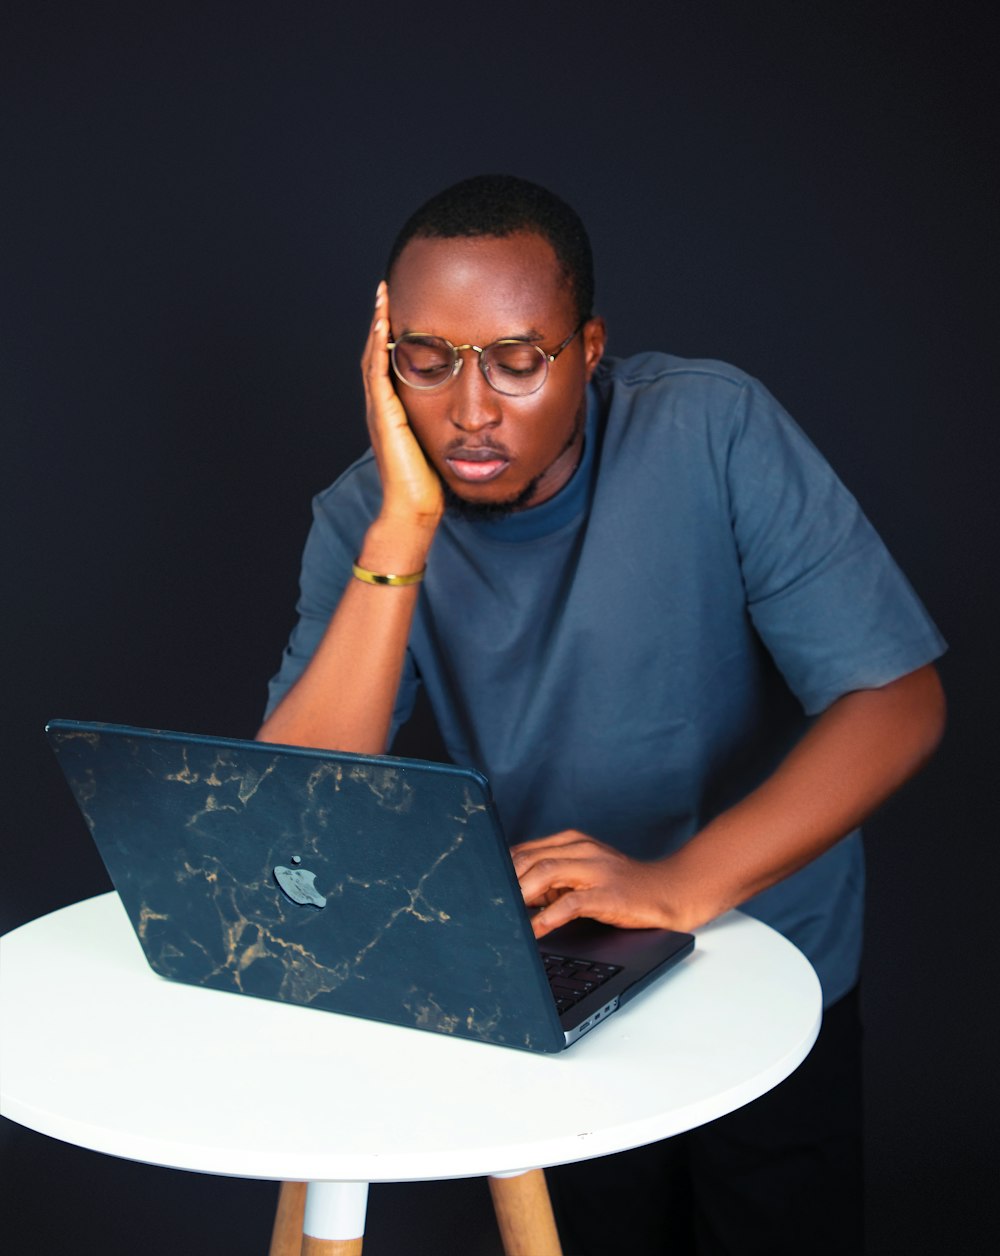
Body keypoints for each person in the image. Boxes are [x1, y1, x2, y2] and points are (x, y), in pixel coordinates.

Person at [258, 174, 946, 1254]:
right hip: (564, 976)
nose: (470, 408)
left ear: (588, 348)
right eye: (426, 362)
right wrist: (401, 526)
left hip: (766, 954)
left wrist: (679, 884)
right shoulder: (367, 511)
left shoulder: (711, 426)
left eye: (518, 362)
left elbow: (897, 697)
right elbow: (290, 811)